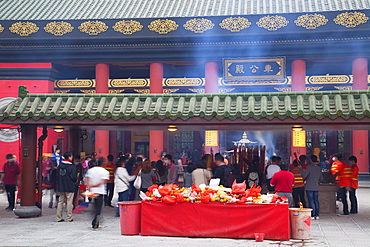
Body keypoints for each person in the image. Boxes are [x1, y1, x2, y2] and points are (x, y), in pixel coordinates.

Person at [86, 157, 109, 230]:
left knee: (94, 206)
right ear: (103, 163)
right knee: (98, 208)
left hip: (92, 191)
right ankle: (96, 221)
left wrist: (90, 186)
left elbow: (88, 180)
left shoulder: (90, 170)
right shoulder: (105, 171)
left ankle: (95, 219)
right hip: (100, 191)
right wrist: (95, 185)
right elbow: (103, 181)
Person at [299, 155, 323, 219]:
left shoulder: (309, 167)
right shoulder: (319, 168)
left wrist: (300, 169)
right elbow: (321, 178)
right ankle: (317, 215)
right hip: (316, 187)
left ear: (311, 160)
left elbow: (304, 176)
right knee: (316, 201)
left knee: (310, 201)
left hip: (309, 186)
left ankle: (312, 214)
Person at [56, 151, 77, 222]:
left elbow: (57, 175)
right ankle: (69, 217)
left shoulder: (60, 166)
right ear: (69, 157)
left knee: (60, 201)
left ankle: (58, 217)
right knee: (69, 202)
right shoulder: (71, 166)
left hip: (61, 186)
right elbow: (74, 177)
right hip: (69, 186)